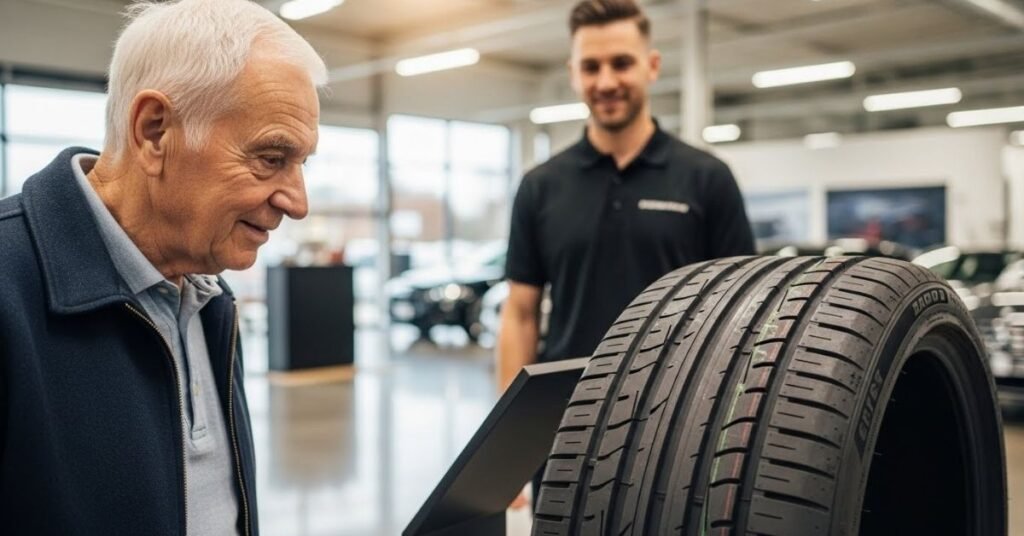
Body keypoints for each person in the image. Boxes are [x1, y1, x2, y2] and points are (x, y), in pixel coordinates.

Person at [0, 0, 325, 533]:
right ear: (155, 131)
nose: (297, 201)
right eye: (271, 158)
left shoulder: (208, 297)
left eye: (301, 164)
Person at [498, 0, 755, 506]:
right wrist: (508, 443)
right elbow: (520, 314)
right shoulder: (540, 187)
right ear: (573, 74)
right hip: (564, 426)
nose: (606, 81)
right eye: (591, 67)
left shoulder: (707, 179)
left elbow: (742, 317)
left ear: (652, 66)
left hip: (679, 426)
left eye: (621, 63)